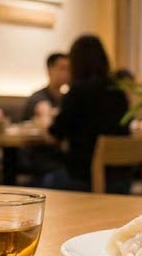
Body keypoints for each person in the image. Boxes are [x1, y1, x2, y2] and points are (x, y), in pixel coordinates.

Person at [44, 35, 131, 193]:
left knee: (33, 183)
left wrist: (46, 123)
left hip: (83, 179)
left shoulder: (77, 91)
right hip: (121, 180)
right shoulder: (118, 91)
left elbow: (54, 136)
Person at [22, 52, 70, 122]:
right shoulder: (37, 98)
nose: (67, 73)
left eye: (68, 69)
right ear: (49, 70)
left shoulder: (66, 98)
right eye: (62, 68)